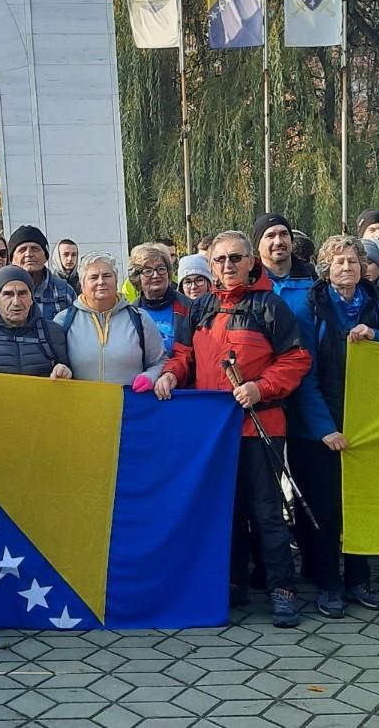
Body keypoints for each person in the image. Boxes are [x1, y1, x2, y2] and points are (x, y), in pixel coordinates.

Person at [153, 231, 311, 628]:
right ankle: (231, 582)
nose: (228, 266)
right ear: (210, 265)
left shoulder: (269, 306)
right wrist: (171, 375)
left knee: (267, 511)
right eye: (221, 260)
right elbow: (183, 356)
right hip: (213, 432)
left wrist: (261, 387)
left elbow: (296, 358)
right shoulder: (200, 307)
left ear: (250, 261)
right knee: (224, 510)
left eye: (235, 258)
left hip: (260, 424)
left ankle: (282, 589)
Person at [287, 236, 379, 617]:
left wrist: (377, 337)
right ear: (325, 269)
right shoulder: (310, 313)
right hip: (320, 434)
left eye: (353, 261)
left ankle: (359, 578)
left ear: (364, 266)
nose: (347, 268)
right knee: (326, 512)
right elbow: (305, 377)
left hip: (368, 431)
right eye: (338, 263)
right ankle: (327, 584)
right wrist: (325, 428)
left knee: (362, 509)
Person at [54, 253, 164, 386]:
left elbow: (159, 361)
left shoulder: (140, 319)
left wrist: (150, 377)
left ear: (116, 280)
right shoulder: (63, 321)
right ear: (82, 285)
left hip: (128, 404)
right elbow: (51, 363)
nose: (101, 282)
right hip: (80, 404)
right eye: (93, 277)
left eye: (107, 276)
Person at [0, 265, 73, 379]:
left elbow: (66, 370)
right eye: (8, 294)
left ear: (32, 299)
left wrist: (65, 371)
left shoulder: (52, 332)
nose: (16, 302)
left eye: (22, 293)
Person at [0, 225, 77, 319]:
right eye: (22, 250)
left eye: (35, 249)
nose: (29, 254)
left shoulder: (65, 292)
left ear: (45, 257)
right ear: (12, 258)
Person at [128, 242, 191, 355]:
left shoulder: (189, 308)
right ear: (137, 277)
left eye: (161, 269)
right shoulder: (130, 315)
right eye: (148, 271)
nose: (156, 275)